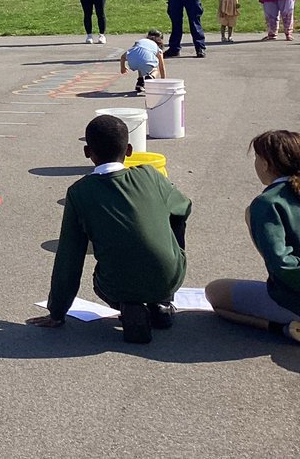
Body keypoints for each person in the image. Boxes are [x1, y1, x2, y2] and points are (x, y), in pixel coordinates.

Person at [27, 114, 192, 344]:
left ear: (87, 152)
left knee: (101, 279)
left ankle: (129, 305)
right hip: (169, 277)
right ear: (130, 150)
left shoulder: (79, 192)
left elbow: (69, 257)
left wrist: (57, 312)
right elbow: (184, 208)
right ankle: (162, 301)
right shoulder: (150, 175)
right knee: (176, 219)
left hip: (117, 284)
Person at [204, 130, 300, 344]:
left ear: (265, 164)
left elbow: (281, 263)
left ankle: (283, 329)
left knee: (214, 292)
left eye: (257, 158)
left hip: (292, 300)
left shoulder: (267, 203)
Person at [119, 29, 166, 95]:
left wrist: (123, 67)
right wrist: (163, 81)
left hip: (132, 61)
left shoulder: (140, 42)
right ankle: (150, 77)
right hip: (146, 63)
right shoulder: (157, 48)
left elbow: (123, 56)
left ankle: (140, 83)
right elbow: (161, 66)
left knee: (141, 61)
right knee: (155, 70)